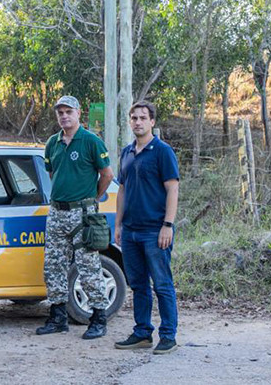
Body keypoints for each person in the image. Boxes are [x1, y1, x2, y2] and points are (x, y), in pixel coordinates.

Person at [36, 95, 114, 339]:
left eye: (68, 111)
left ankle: (98, 318)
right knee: (54, 266)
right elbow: (52, 175)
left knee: (88, 266)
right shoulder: (52, 143)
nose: (64, 116)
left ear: (79, 113)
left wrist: (92, 199)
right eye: (60, 112)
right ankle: (58, 317)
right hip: (57, 213)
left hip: (83, 214)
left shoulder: (91, 141)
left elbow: (107, 175)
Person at [114, 101, 180, 355]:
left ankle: (168, 336)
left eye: (143, 117)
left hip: (155, 230)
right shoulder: (127, 152)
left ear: (152, 122)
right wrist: (118, 225)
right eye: (134, 118)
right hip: (130, 231)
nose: (138, 122)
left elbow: (172, 188)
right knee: (138, 285)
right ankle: (142, 332)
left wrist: (168, 225)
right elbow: (122, 189)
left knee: (162, 284)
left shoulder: (162, 151)